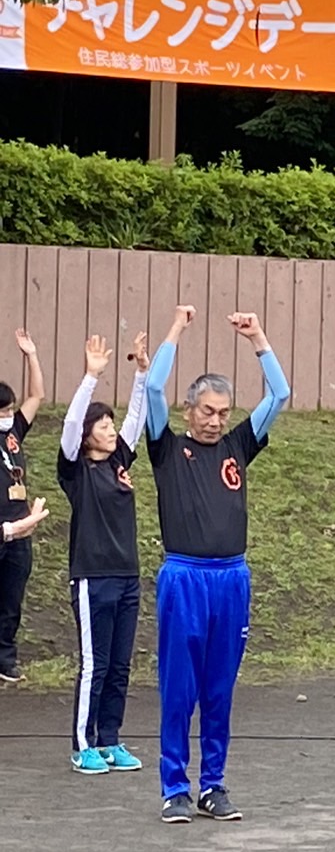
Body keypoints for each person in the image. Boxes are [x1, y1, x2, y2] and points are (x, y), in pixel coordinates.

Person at [145, 305, 291, 824]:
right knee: (179, 688)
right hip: (183, 577)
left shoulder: (237, 446)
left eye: (224, 411)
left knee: (219, 689)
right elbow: (152, 391)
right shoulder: (165, 448)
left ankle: (213, 785)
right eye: (207, 410)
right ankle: (174, 788)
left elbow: (281, 396)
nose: (216, 419)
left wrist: (259, 338)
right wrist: (177, 329)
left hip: (232, 578)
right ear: (189, 410)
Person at [57, 332, 150, 776]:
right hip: (92, 576)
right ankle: (83, 745)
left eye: (112, 425)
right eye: (104, 425)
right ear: (89, 434)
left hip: (126, 575)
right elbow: (71, 426)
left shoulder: (119, 464)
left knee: (119, 663)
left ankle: (110, 738)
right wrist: (91, 377)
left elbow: (138, 415)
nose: (112, 430)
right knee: (93, 665)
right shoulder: (76, 470)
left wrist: (142, 374)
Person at [0, 328, 45, 683]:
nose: (9, 413)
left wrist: (30, 355)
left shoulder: (13, 432)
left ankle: (5, 657)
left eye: (11, 408)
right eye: (4, 409)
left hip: (20, 528)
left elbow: (38, 395)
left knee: (11, 597)